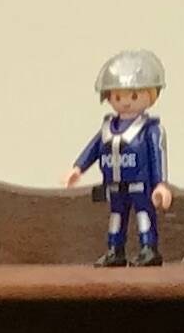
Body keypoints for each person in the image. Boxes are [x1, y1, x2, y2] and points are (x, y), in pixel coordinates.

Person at [66, 50, 173, 268]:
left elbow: (157, 154)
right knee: (116, 217)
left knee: (144, 215)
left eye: (133, 96)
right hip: (114, 185)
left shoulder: (150, 130)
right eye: (117, 96)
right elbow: (93, 149)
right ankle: (115, 250)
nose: (125, 102)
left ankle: (148, 249)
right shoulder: (107, 128)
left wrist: (161, 184)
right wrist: (77, 168)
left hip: (140, 184)